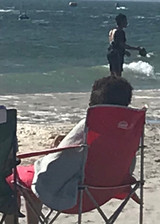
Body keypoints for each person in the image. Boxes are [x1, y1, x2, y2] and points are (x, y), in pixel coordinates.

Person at [13, 76, 133, 224]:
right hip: (108, 190)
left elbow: (55, 164)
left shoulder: (90, 124)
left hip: (77, 194)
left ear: (93, 101)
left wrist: (55, 150)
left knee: (15, 177)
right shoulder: (129, 127)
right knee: (31, 180)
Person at [106, 14, 144, 78]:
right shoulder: (120, 32)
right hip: (117, 54)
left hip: (110, 53)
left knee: (112, 73)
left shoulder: (112, 31)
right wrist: (137, 48)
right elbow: (122, 45)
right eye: (125, 21)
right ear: (121, 21)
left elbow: (114, 44)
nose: (127, 22)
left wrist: (124, 51)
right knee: (118, 74)